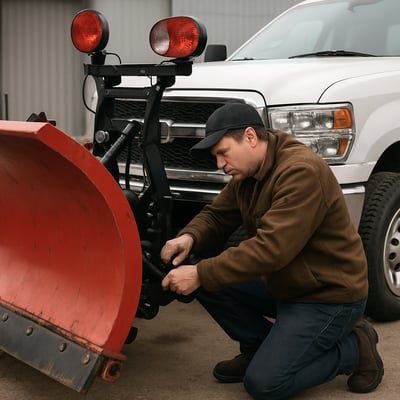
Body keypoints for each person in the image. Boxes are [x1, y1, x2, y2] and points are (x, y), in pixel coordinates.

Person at [160, 103, 384, 399]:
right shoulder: (248, 172)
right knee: (202, 277)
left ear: (250, 137)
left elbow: (272, 249)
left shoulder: (300, 173)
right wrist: (188, 238)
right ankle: (260, 348)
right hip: (286, 282)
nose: (220, 164)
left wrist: (201, 273)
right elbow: (217, 215)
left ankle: (354, 348)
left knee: (265, 384)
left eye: (223, 152)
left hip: (327, 296)